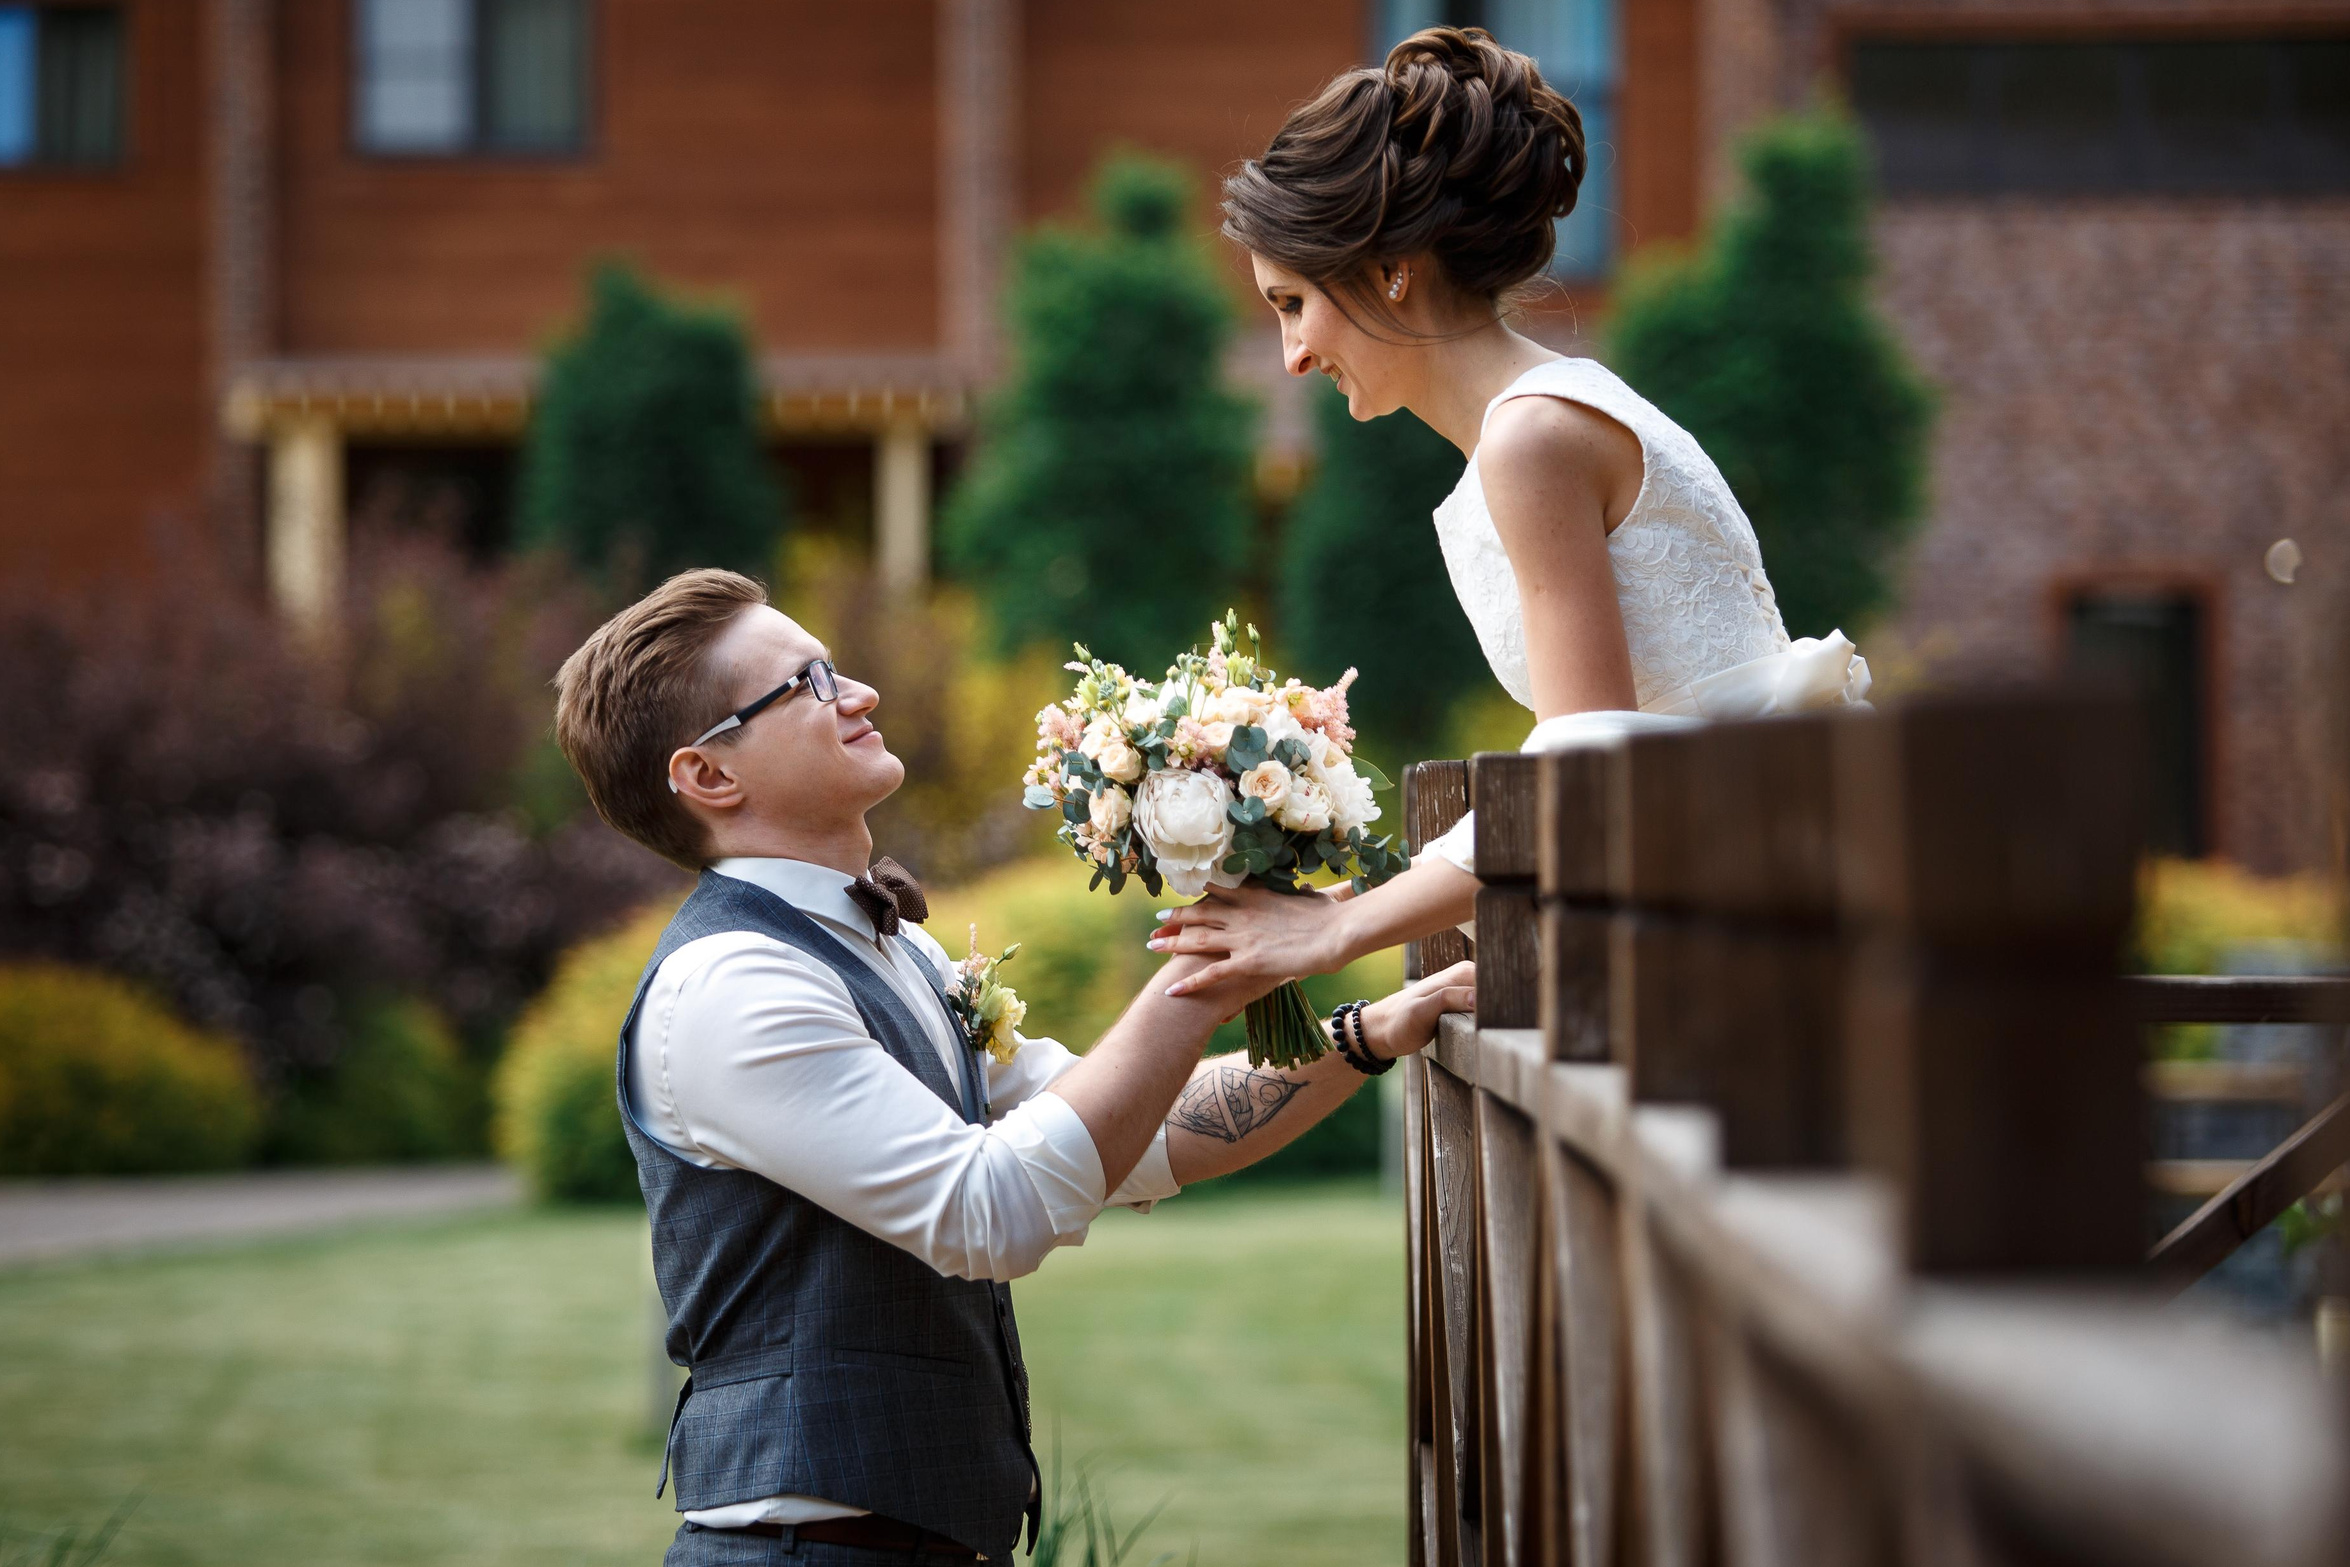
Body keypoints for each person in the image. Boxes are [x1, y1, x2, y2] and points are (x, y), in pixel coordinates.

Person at [552, 568, 1473, 1566]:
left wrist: (1366, 1033)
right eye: (807, 683)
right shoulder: (732, 987)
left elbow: (1138, 1133)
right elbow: (985, 1210)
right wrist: (1216, 970)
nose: (857, 692)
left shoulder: (898, 951)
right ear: (709, 777)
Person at [1151, 25, 1872, 993]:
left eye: (1291, 304)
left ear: (1389, 268)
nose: (1289, 355)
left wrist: (1337, 931)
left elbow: (1584, 760)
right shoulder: (1535, 423)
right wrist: (1342, 906)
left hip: (1756, 896)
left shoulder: (1531, 438)